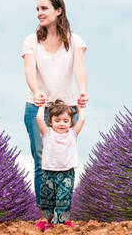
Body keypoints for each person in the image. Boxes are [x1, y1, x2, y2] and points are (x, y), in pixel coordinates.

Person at [21, 0, 89, 223]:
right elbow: (30, 70)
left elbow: (79, 68)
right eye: (37, 9)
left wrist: (83, 91)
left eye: (44, 8)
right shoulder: (31, 41)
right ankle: (44, 218)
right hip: (37, 107)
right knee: (42, 161)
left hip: (67, 110)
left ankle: (62, 217)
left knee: (63, 161)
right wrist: (36, 90)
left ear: (58, 11)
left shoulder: (75, 40)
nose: (39, 13)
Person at [35, 99, 85, 231]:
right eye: (57, 121)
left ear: (70, 122)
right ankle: (46, 220)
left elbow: (81, 120)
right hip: (49, 172)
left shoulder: (72, 134)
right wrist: (41, 106)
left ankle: (63, 220)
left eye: (65, 121)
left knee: (64, 196)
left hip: (67, 172)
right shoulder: (47, 133)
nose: (61, 124)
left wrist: (80, 108)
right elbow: (39, 119)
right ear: (50, 121)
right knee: (47, 197)